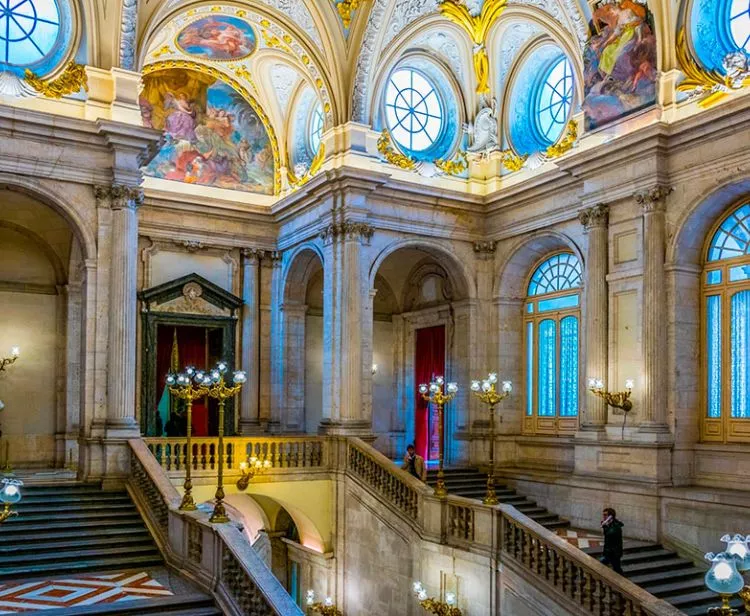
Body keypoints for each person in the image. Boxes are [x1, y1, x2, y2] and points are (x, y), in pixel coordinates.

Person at [600, 507, 624, 574]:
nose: (603, 517)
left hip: (615, 552)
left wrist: (605, 526)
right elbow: (607, 536)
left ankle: (622, 581)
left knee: (617, 569)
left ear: (610, 516)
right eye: (603, 515)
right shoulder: (608, 524)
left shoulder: (616, 526)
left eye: (605, 515)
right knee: (602, 564)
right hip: (608, 551)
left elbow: (610, 533)